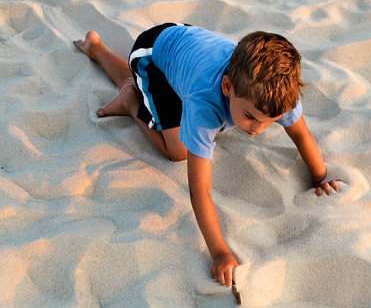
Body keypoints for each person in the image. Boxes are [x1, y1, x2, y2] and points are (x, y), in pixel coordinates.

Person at [74, 23, 339, 287]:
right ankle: (124, 91)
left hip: (190, 48)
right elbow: (199, 191)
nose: (257, 130)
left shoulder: (281, 93)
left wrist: (320, 176)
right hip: (153, 56)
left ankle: (105, 59)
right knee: (177, 151)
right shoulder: (204, 105)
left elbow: (301, 134)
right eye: (249, 117)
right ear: (227, 86)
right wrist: (220, 253)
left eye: (269, 121)